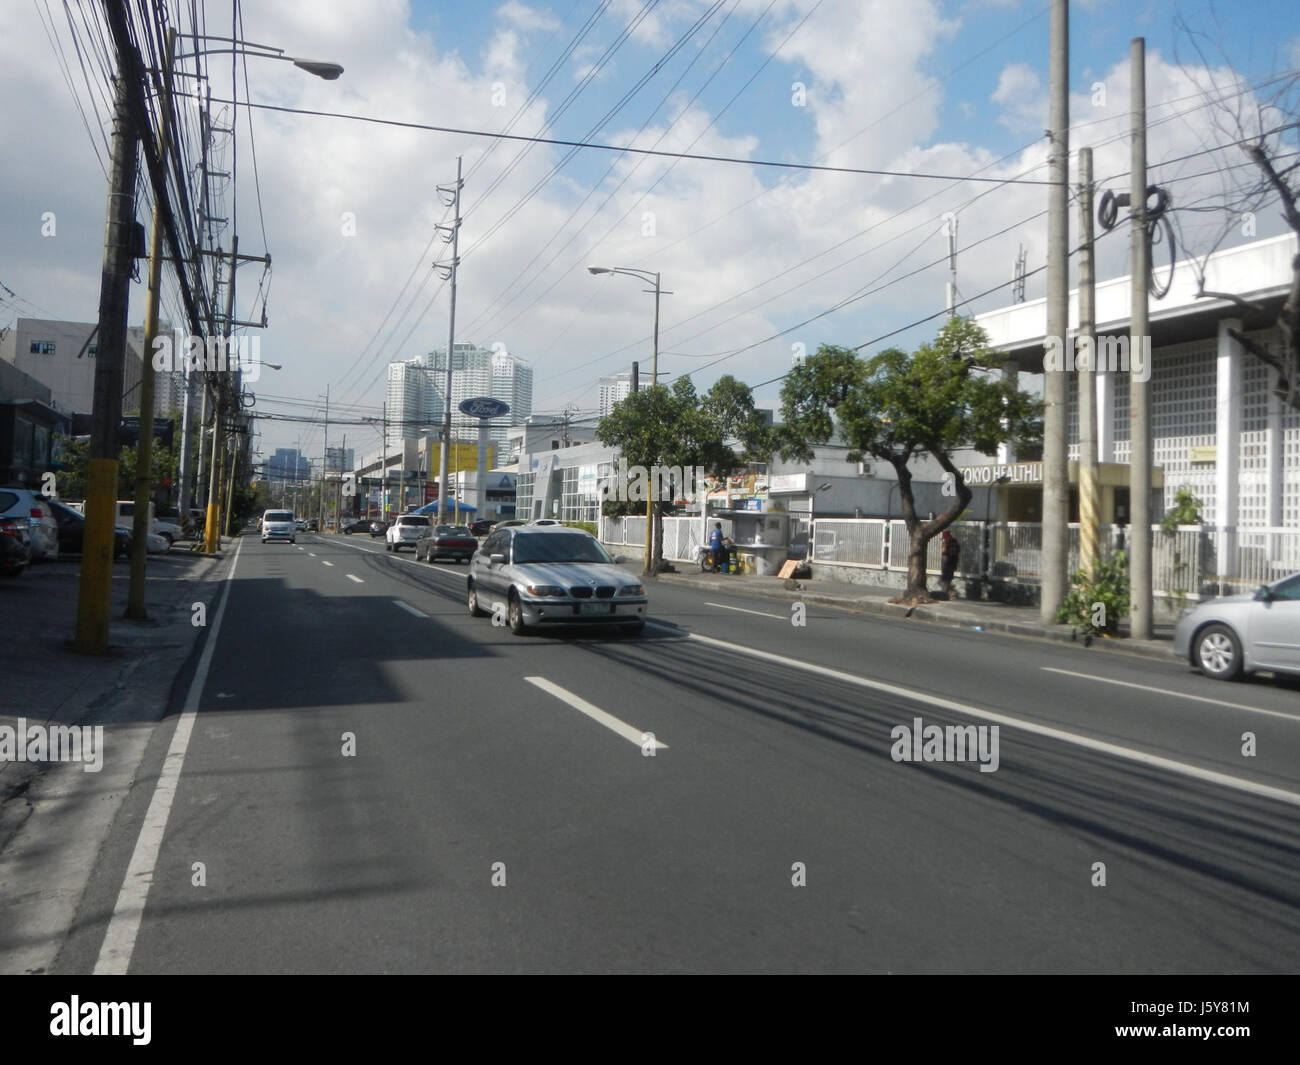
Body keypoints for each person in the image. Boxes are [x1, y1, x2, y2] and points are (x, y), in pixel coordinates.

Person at [938, 530, 961, 599]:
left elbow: (944, 551)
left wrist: (944, 547)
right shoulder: (955, 542)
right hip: (953, 563)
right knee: (948, 580)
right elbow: (958, 551)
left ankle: (952, 592)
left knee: (943, 580)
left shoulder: (947, 542)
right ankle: (949, 593)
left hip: (947, 564)